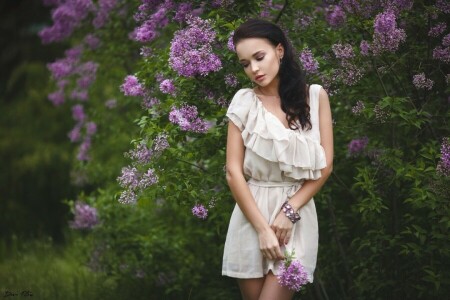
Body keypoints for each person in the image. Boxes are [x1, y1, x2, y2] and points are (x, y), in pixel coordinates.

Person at [222, 19, 334, 300]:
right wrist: (262, 229)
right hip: (251, 215)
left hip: (295, 217)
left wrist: (289, 211)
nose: (254, 69)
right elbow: (233, 171)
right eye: (245, 63)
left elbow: (325, 166)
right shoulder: (243, 101)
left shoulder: (316, 96)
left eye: (259, 57)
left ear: (280, 50)